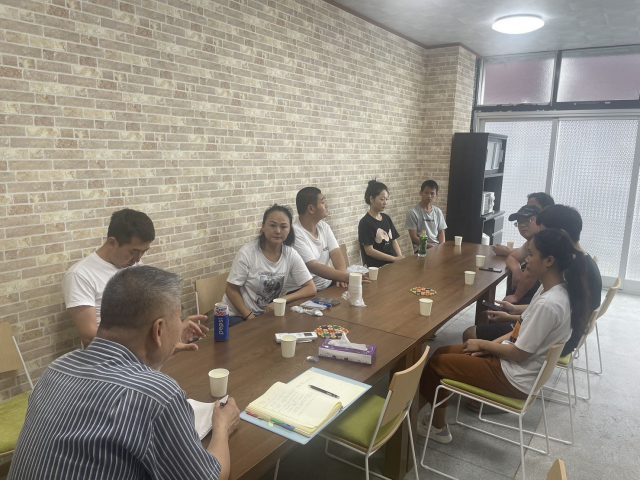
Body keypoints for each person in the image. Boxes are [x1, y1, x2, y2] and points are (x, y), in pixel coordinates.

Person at [9, 266, 241, 480]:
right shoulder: (158, 394)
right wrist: (222, 426)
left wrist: (158, 352)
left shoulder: (56, 369)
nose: (181, 325)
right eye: (178, 319)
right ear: (158, 330)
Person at [418, 228, 590, 443]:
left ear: (549, 261)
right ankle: (436, 414)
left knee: (437, 364)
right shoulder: (554, 290)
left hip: (514, 377)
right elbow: (519, 330)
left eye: (531, 254)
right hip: (512, 364)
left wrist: (484, 344)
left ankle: (435, 427)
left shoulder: (549, 304)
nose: (526, 259)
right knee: (441, 352)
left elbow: (519, 354)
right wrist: (488, 346)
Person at [62, 208, 206, 349]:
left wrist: (175, 330)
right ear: (112, 242)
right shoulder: (80, 274)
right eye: (133, 251)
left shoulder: (135, 266)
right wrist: (147, 343)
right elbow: (89, 335)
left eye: (143, 252)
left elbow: (152, 307)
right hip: (110, 358)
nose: (137, 259)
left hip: (146, 351)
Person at [222, 204, 316, 323]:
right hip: (236, 316)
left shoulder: (290, 254)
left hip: (265, 315)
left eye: (283, 226)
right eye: (272, 225)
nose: (278, 231)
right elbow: (231, 289)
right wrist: (250, 316)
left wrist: (283, 299)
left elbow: (311, 288)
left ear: (290, 230)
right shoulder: (247, 253)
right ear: (263, 227)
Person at [464, 204, 541, 342]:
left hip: (528, 318)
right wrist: (516, 270)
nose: (522, 225)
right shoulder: (532, 242)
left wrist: (516, 297)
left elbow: (531, 274)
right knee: (489, 314)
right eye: (519, 222)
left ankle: (482, 347)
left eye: (527, 220)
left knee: (471, 332)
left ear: (538, 220)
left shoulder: (541, 243)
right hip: (528, 310)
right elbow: (512, 257)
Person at [535, 204, 602, 355]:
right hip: (566, 335)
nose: (540, 239)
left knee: (481, 332)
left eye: (544, 233)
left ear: (561, 234)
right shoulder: (581, 261)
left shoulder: (572, 269)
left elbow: (552, 312)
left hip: (559, 342)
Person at [292, 187, 351, 289]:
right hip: (305, 291)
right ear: (311, 209)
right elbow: (313, 266)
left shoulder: (324, 226)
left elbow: (336, 253)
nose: (327, 205)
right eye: (323, 202)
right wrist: (345, 277)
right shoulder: (294, 233)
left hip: (327, 285)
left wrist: (342, 277)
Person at [358, 180, 404, 267]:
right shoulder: (365, 222)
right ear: (371, 199)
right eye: (382, 199)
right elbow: (369, 251)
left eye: (386, 199)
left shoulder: (386, 218)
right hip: (379, 268)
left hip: (393, 264)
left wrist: (399, 257)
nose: (385, 202)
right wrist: (394, 259)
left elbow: (394, 241)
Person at [405, 179, 447, 253]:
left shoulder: (438, 211)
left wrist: (441, 247)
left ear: (436, 195)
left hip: (437, 248)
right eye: (426, 193)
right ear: (421, 193)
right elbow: (414, 237)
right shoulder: (412, 212)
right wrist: (431, 247)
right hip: (421, 249)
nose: (429, 196)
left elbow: (441, 232)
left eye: (432, 193)